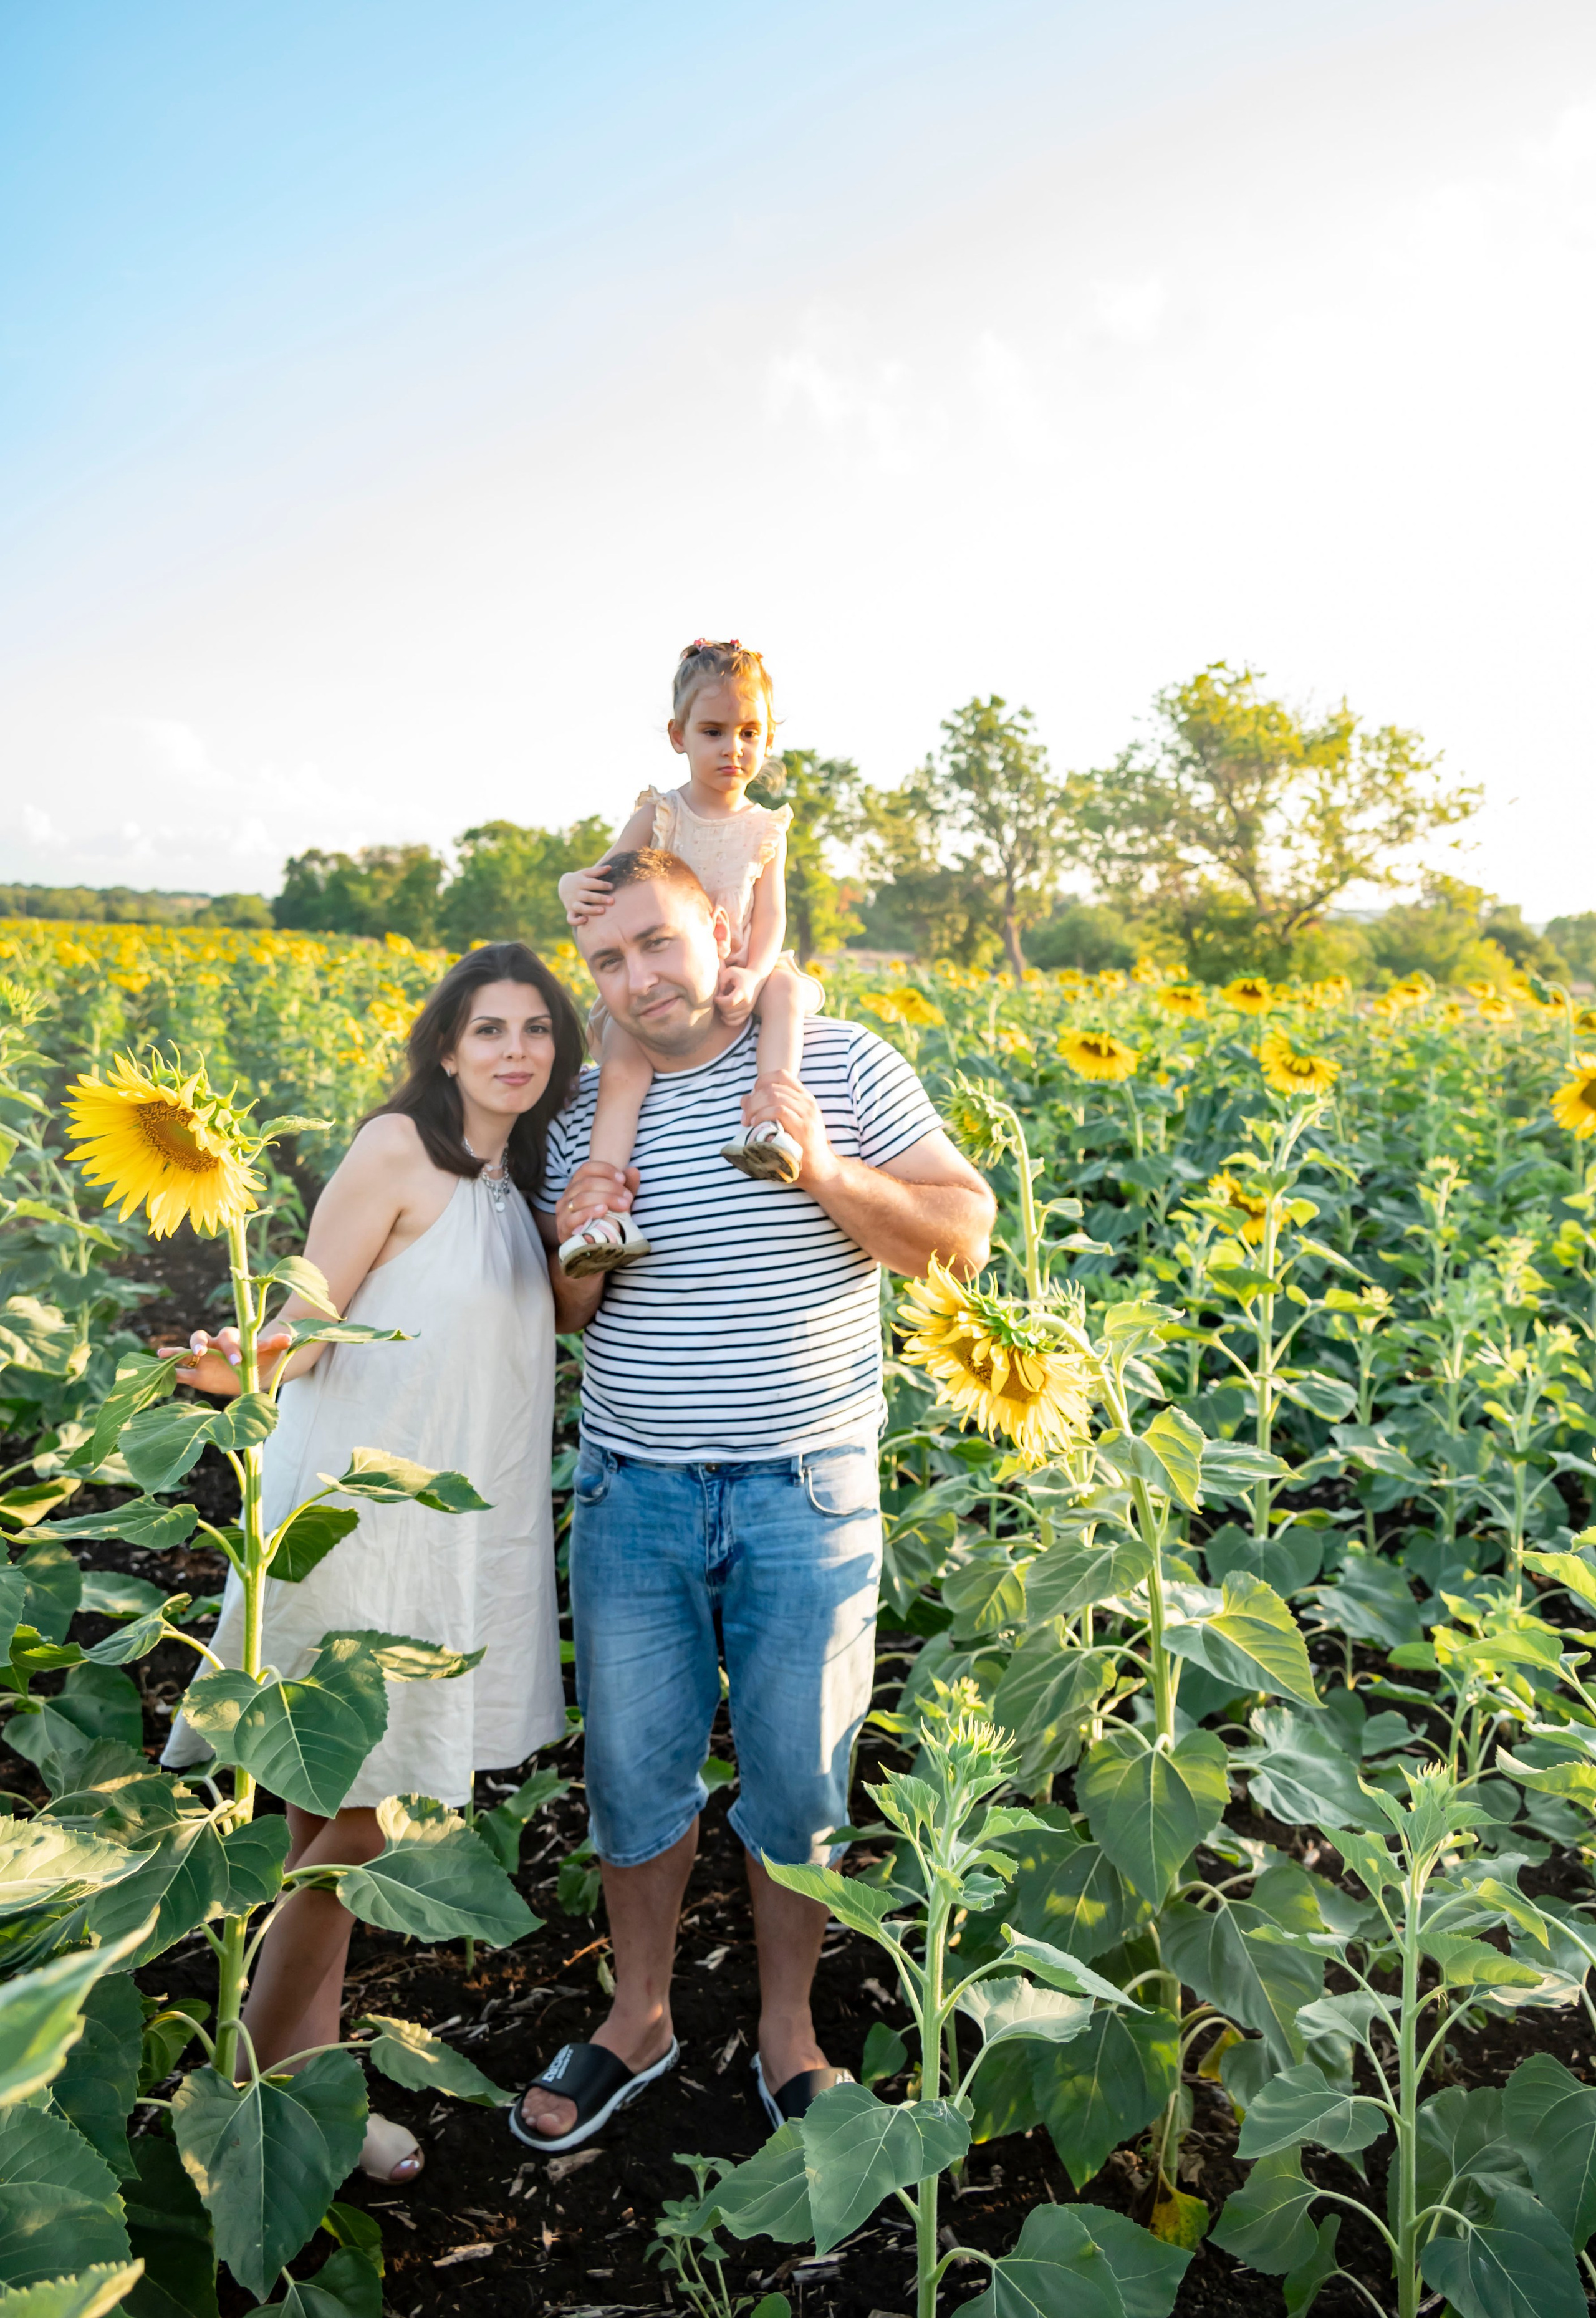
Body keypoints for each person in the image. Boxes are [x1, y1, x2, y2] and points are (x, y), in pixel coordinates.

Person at [509, 849, 995, 2155]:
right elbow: (567, 1316)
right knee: (632, 1775)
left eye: (656, 942)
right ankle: (641, 2013)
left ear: (720, 928)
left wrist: (825, 1171)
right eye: (607, 959)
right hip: (634, 1490)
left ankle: (788, 2028)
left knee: (796, 1782)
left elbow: (962, 1231)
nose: (636, 977)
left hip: (804, 1491)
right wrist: (576, 1245)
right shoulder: (579, 1117)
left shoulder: (835, 1062)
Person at [161, 942, 585, 2183]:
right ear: (444, 1046)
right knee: (349, 1823)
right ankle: (254, 2098)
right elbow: (306, 1306)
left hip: (440, 1537)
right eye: (489, 1027)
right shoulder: (397, 1148)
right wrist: (240, 1357)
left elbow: (551, 1319)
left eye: (538, 1030)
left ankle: (297, 2086)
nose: (516, 1047)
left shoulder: (517, 1179)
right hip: (352, 1521)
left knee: (336, 1826)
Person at [553, 638, 824, 1277]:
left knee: (786, 993)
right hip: (665, 987)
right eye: (713, 731)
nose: (733, 748)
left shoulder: (766, 826)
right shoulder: (661, 812)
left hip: (738, 967)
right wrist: (570, 884)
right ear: (678, 736)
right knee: (622, 1065)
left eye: (749, 732)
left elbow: (774, 915)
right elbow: (605, 881)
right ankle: (603, 1207)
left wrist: (755, 970)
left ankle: (772, 1120)